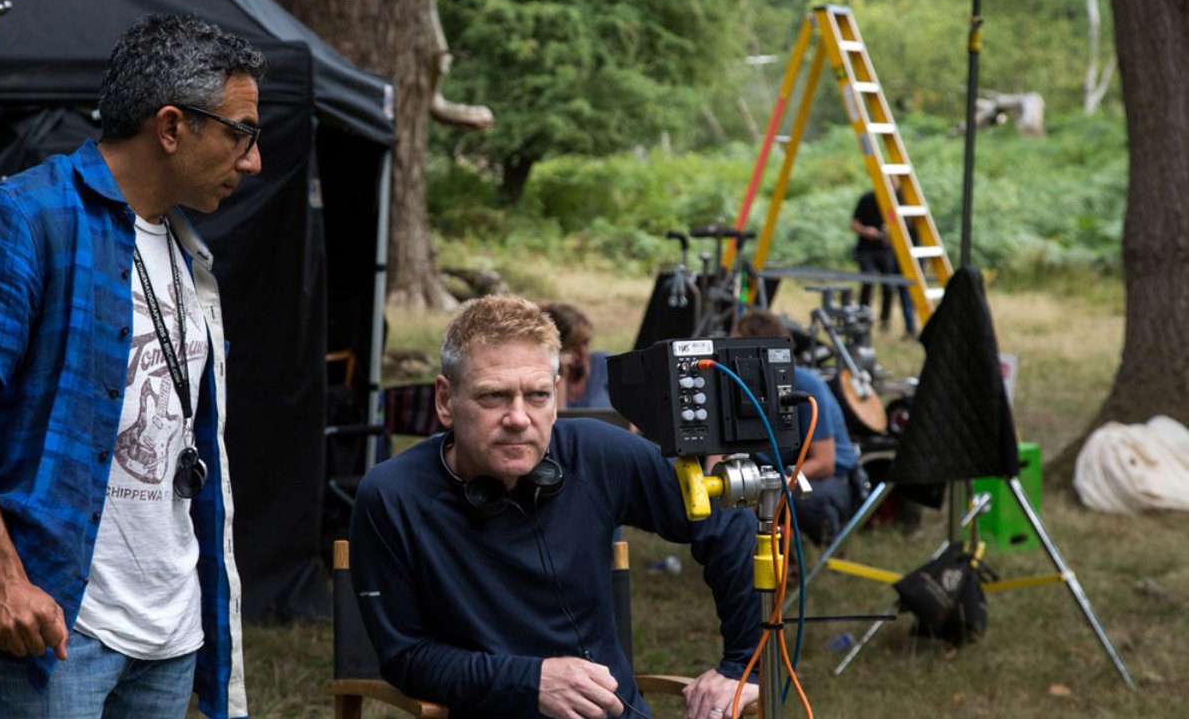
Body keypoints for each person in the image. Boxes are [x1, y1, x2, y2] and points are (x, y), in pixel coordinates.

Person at [0, 14, 265, 719]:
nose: (252, 161)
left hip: (171, 627)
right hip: (57, 625)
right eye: (240, 133)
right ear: (171, 127)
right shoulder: (21, 217)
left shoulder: (188, 251)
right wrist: (1, 580)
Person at [349, 294, 761, 719]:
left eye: (538, 395)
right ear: (444, 400)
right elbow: (407, 657)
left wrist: (744, 666)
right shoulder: (392, 496)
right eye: (493, 396)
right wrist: (531, 681)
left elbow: (728, 519)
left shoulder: (597, 453)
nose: (518, 418)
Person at [732, 311, 859, 547]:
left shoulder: (805, 385)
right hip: (772, 474)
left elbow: (824, 463)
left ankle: (819, 536)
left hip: (825, 479)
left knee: (802, 498)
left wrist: (767, 489)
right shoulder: (736, 387)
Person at [850, 184, 917, 337]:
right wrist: (866, 231)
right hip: (866, 249)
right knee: (868, 282)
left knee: (889, 286)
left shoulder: (893, 203)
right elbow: (854, 224)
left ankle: (884, 320)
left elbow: (898, 223)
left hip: (885, 250)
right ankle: (862, 318)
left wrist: (890, 232)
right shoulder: (867, 199)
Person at [543, 301, 612, 409]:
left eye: (585, 342)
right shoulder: (544, 377)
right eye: (573, 345)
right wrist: (561, 373)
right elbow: (557, 418)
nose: (582, 352)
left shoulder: (603, 365)